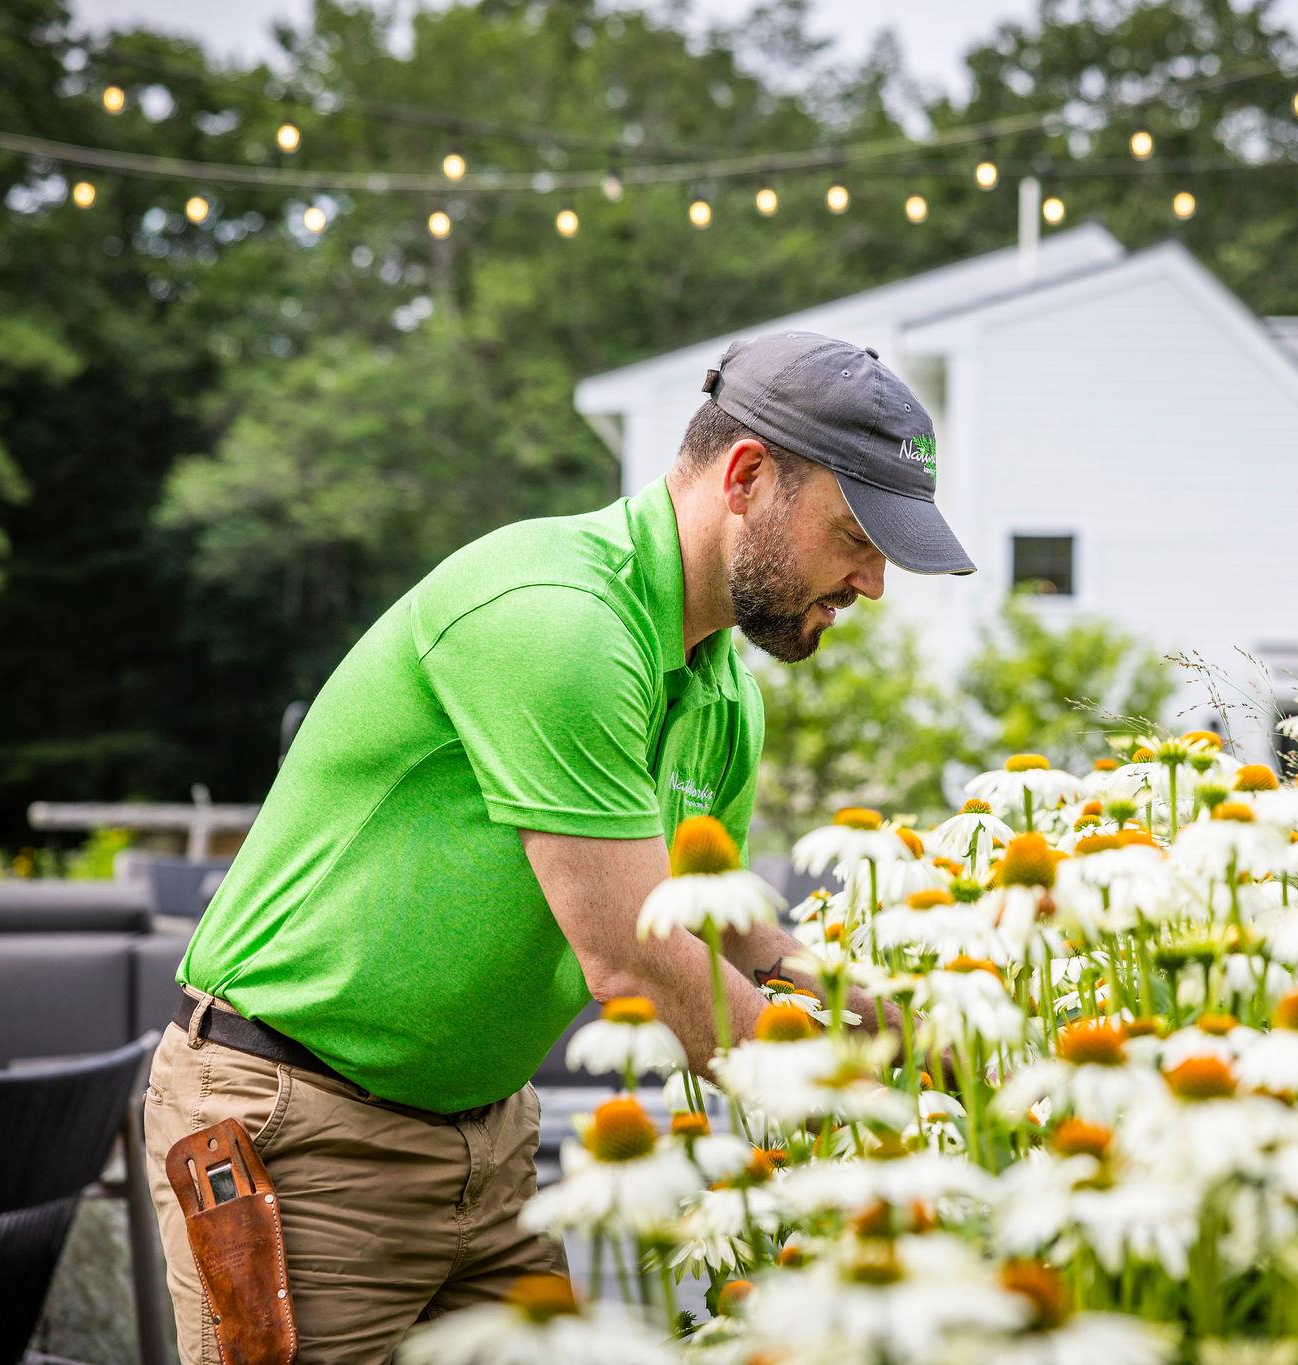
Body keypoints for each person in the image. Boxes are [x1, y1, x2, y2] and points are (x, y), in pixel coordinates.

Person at [143, 331, 974, 1362]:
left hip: (487, 1142)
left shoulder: (719, 688)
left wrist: (880, 1015)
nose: (873, 583)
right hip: (303, 1126)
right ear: (749, 477)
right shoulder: (559, 620)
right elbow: (632, 958)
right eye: (856, 535)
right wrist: (862, 1116)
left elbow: (710, 911)